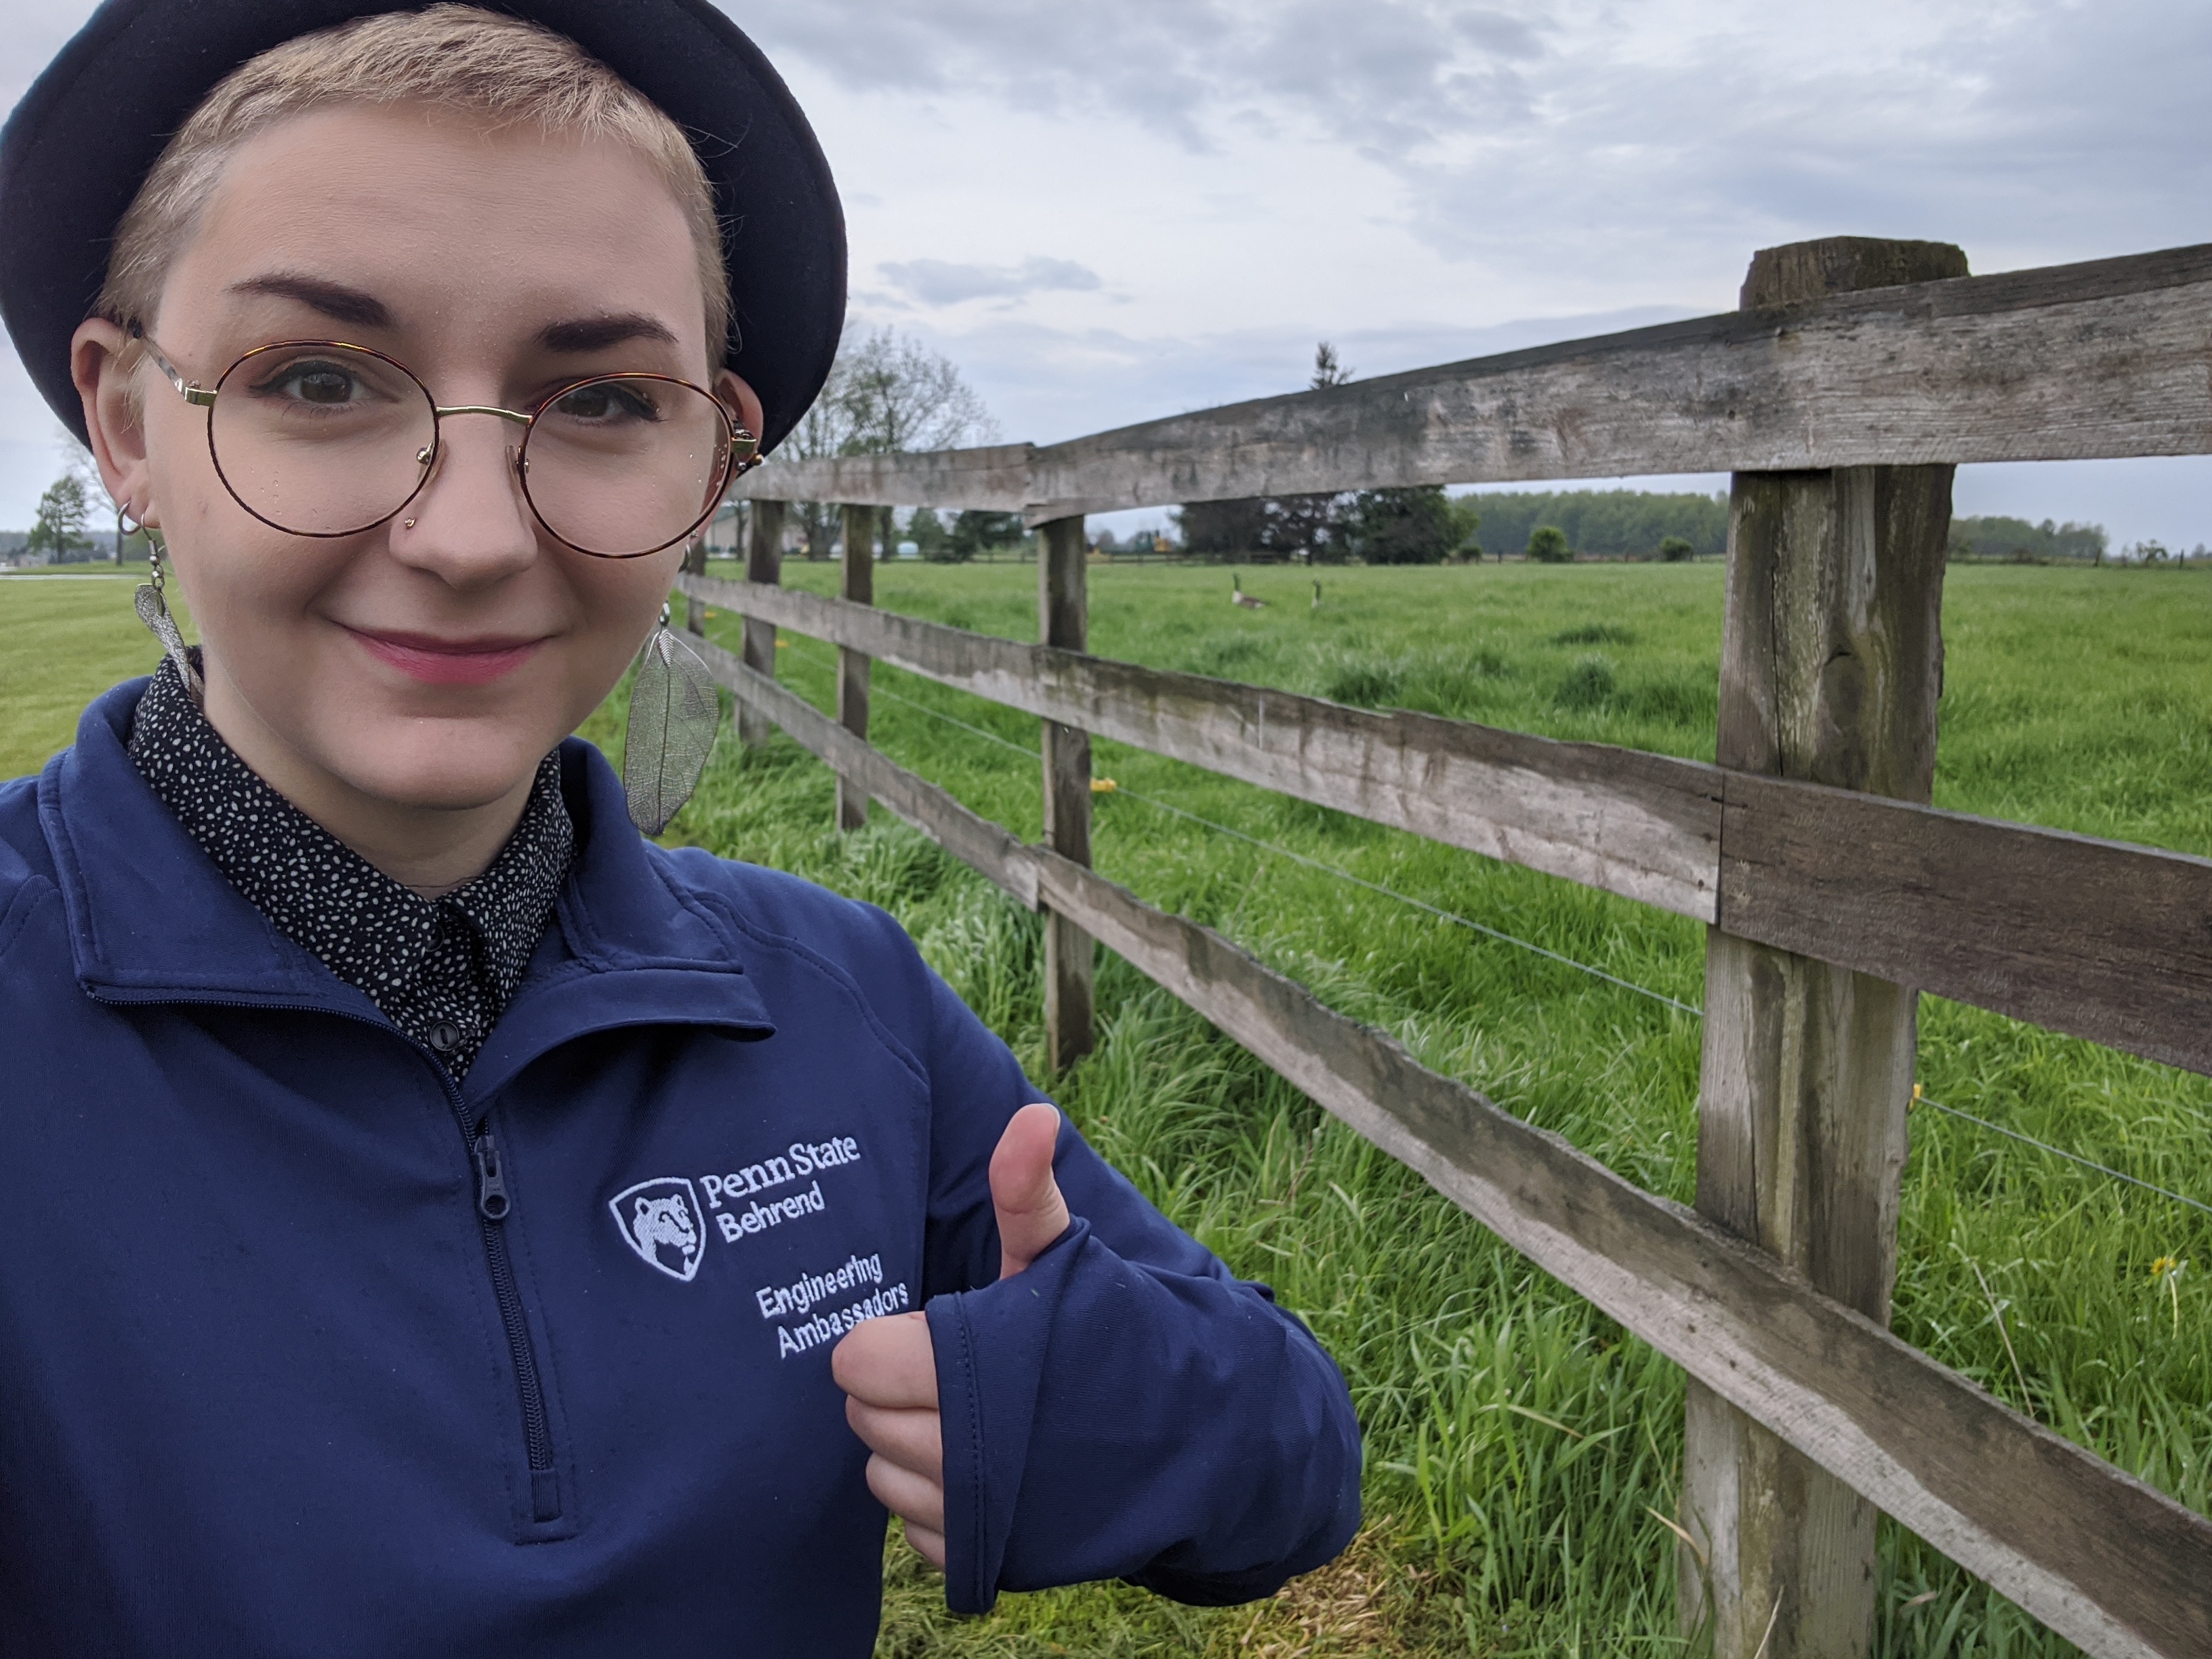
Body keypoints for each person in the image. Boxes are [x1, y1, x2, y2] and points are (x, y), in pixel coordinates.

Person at [0, 3, 1362, 1652]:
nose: (471, 535)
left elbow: (1297, 1458)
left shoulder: (827, 996)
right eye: (320, 379)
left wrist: (1126, 1415)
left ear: (707, 466)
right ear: (131, 423)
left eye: (598, 403)